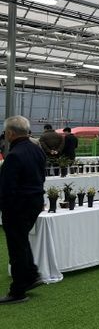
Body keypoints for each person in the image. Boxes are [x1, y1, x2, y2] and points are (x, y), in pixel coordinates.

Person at [0, 116, 46, 304]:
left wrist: (4, 207)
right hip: (34, 201)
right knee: (22, 239)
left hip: (18, 206)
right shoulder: (37, 150)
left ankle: (18, 291)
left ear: (10, 133)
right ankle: (32, 275)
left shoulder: (14, 155)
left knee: (16, 246)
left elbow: (7, 188)